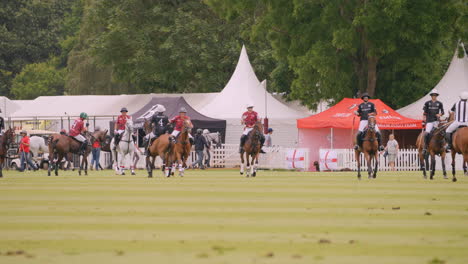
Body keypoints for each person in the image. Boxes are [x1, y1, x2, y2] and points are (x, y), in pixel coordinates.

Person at [422, 89, 444, 154]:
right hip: (429, 121)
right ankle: (425, 147)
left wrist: (440, 114)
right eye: (433, 95)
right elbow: (424, 112)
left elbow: (443, 112)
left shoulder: (439, 103)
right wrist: (424, 118)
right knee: (426, 133)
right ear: (431, 96)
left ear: (436, 96)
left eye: (435, 95)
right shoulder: (427, 103)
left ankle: (444, 146)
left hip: (436, 121)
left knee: (442, 132)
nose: (434, 96)